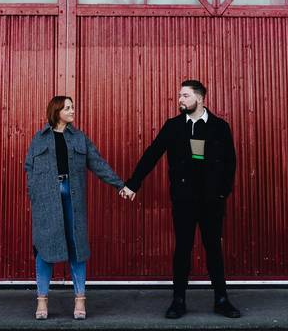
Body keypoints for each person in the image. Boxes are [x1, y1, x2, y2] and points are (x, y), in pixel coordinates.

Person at [119, 80, 240, 319]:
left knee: (214, 248)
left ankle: (222, 299)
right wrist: (133, 183)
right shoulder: (174, 127)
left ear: (200, 98)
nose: (180, 100)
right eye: (179, 96)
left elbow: (230, 163)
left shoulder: (219, 127)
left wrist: (221, 193)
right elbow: (152, 154)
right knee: (183, 249)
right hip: (184, 200)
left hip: (211, 201)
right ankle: (178, 300)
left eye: (185, 95)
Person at [24, 96, 126, 320]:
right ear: (57, 111)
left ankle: (80, 299)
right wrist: (35, 194)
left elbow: (98, 163)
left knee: (77, 246)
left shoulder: (79, 138)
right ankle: (42, 301)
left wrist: (120, 184)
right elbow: (29, 167)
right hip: (46, 198)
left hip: (72, 195)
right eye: (68, 108)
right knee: (45, 248)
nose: (72, 111)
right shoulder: (39, 139)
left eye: (72, 107)